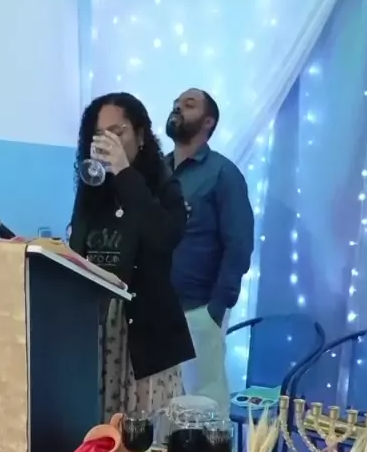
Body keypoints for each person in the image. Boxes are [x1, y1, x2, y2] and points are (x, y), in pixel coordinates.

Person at [70, 92, 194, 421]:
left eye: (117, 132)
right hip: (96, 328)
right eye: (99, 135)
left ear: (140, 136)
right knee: (99, 430)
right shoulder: (92, 189)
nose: (107, 141)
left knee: (141, 433)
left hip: (144, 331)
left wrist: (124, 173)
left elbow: (163, 237)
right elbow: (79, 251)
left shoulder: (164, 186)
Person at [166, 88, 254, 415]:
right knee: (162, 408)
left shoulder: (223, 174)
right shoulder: (157, 172)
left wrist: (215, 309)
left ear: (208, 122)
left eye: (188, 105)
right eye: (176, 103)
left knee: (204, 407)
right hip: (156, 310)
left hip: (198, 308)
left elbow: (239, 244)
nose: (178, 107)